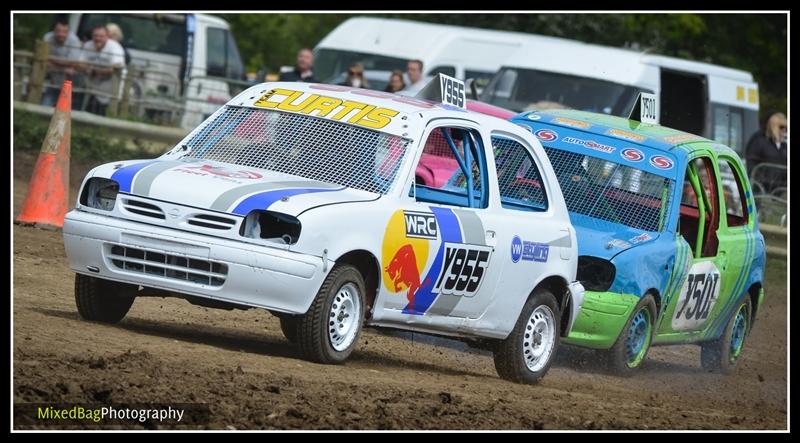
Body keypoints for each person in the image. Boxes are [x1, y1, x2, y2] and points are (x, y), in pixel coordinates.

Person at [78, 25, 126, 115]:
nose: (98, 39)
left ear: (107, 37)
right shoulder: (88, 45)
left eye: (101, 36)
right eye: (95, 36)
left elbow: (116, 67)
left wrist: (95, 71)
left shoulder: (115, 48)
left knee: (108, 117)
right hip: (93, 89)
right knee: (88, 115)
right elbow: (79, 63)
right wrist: (87, 69)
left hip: (112, 91)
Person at [41, 20, 82, 107]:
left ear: (69, 32)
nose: (61, 34)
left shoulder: (74, 40)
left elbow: (73, 62)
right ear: (54, 31)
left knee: (67, 110)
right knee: (45, 106)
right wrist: (65, 65)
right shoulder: (48, 37)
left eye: (64, 32)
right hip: (53, 80)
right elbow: (42, 57)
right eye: (58, 31)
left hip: (71, 83)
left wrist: (51, 61)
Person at [745, 112, 787, 193]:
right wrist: (761, 181)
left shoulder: (784, 146)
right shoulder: (759, 141)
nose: (784, 130)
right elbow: (751, 163)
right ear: (773, 126)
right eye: (781, 127)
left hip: (780, 191)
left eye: (786, 127)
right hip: (761, 190)